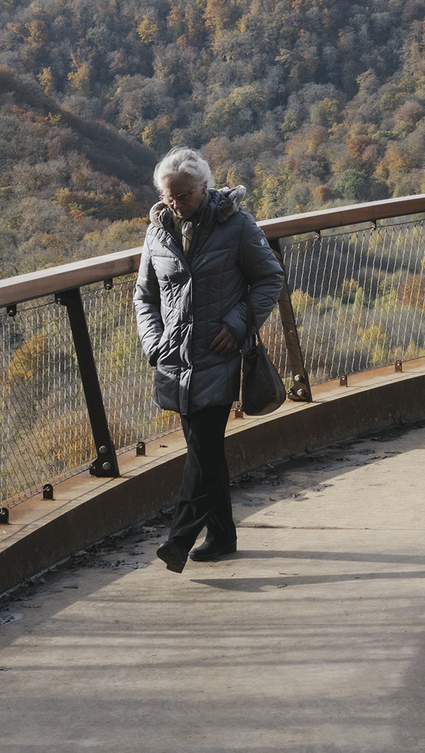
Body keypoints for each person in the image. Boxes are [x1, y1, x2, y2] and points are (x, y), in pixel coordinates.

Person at [134, 146, 284, 570]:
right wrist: (153, 343)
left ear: (204, 187)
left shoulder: (236, 225)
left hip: (219, 358)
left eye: (182, 195)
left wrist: (238, 325)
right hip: (175, 361)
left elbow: (269, 277)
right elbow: (144, 296)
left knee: (202, 446)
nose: (174, 204)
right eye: (168, 196)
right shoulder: (157, 231)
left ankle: (179, 539)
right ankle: (221, 535)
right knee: (207, 450)